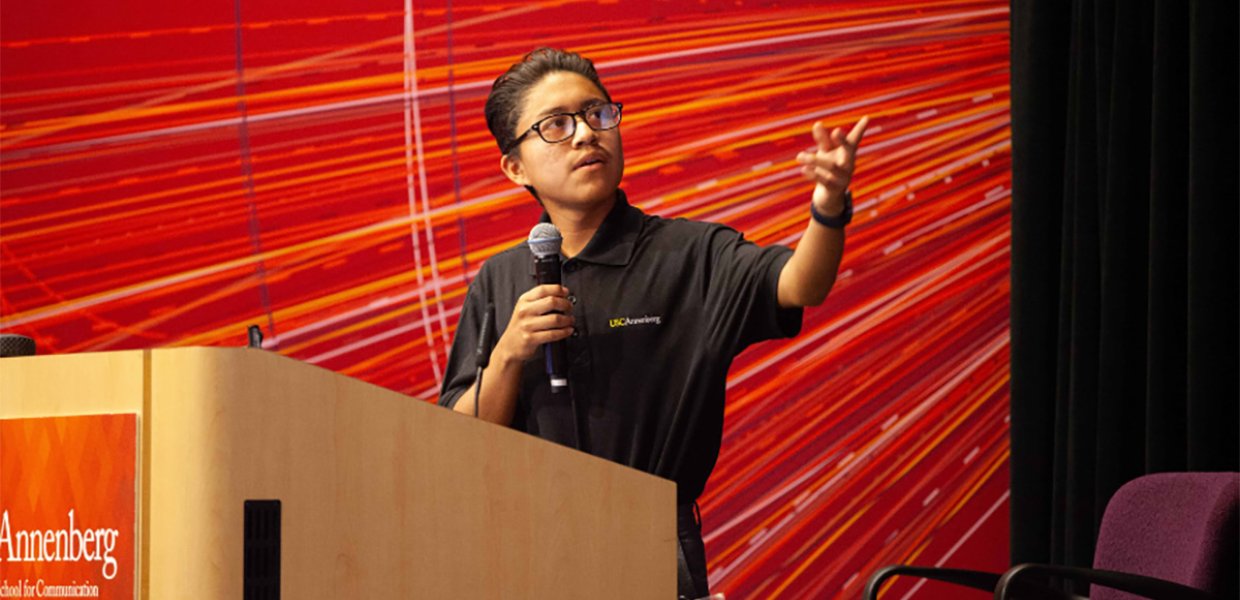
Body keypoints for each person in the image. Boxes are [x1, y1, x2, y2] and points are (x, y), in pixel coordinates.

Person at [438, 47, 867, 599]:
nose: (586, 135)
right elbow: (459, 440)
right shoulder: (499, 280)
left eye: (597, 114)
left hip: (650, 543)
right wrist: (507, 356)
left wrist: (828, 205)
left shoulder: (689, 253)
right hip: (524, 543)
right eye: (556, 125)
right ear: (515, 166)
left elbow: (801, 284)